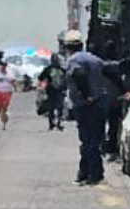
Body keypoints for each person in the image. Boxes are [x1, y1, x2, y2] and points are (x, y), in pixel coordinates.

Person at [65, 32, 109, 185]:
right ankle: (85, 172)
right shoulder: (94, 59)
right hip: (100, 102)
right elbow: (110, 72)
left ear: (67, 48)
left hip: (85, 105)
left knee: (88, 140)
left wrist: (86, 95)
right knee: (94, 139)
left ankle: (94, 173)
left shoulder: (74, 60)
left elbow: (79, 74)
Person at [38, 53, 67, 131]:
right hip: (51, 91)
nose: (55, 61)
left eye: (56, 59)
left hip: (60, 91)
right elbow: (40, 77)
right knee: (51, 108)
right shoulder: (48, 69)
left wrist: (65, 87)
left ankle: (59, 123)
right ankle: (51, 124)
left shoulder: (62, 70)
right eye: (54, 59)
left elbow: (67, 78)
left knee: (60, 107)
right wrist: (45, 83)